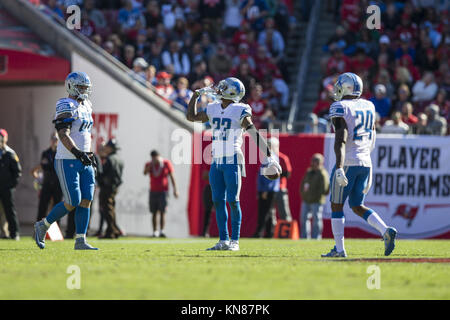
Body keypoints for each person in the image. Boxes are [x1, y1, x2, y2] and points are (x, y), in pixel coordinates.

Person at [186, 77, 281, 251]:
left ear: (232, 92)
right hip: (217, 160)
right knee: (218, 201)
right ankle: (223, 240)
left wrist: (269, 155)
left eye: (223, 87)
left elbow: (253, 132)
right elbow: (191, 116)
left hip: (233, 159)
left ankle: (235, 241)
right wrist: (195, 97)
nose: (219, 89)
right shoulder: (213, 107)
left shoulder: (240, 109)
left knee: (233, 200)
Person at [324, 72, 397, 258]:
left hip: (348, 160)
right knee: (357, 205)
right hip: (366, 161)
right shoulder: (369, 105)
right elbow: (372, 134)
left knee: (336, 205)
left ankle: (339, 249)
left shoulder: (340, 106)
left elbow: (340, 139)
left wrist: (339, 167)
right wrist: (366, 157)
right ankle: (385, 230)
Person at [34, 71, 98, 250]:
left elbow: (86, 134)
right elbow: (63, 134)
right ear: (71, 86)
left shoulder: (87, 105)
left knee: (87, 199)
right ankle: (43, 225)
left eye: (86, 87)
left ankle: (80, 240)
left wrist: (90, 154)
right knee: (73, 200)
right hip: (67, 159)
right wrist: (78, 153)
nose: (84, 91)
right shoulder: (65, 104)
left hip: (84, 158)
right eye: (81, 87)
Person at [143, 150, 178, 238]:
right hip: (153, 191)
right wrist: (151, 165)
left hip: (163, 192)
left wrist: (175, 190)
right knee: (154, 212)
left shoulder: (166, 163)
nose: (155, 159)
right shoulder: (149, 164)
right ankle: (155, 231)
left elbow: (172, 176)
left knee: (162, 211)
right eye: (153, 157)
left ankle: (162, 231)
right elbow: (144, 173)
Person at [31, 133, 62, 222]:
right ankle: (38, 230)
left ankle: (57, 231)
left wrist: (50, 166)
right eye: (53, 139)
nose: (54, 141)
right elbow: (44, 166)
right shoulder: (45, 153)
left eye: (56, 139)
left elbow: (55, 167)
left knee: (57, 209)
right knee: (42, 208)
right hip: (47, 183)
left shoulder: (61, 153)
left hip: (57, 184)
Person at [97, 139, 124, 239]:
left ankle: (111, 231)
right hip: (114, 187)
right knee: (110, 208)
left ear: (110, 148)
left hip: (107, 187)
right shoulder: (119, 159)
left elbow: (103, 173)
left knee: (107, 209)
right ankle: (113, 230)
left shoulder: (110, 159)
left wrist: (98, 179)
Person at [300, 153, 329, 239]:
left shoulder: (322, 173)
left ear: (320, 163)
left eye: (316, 161)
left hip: (317, 201)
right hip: (306, 200)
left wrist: (316, 197)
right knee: (304, 219)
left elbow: (325, 189)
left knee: (316, 220)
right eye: (313, 161)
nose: (314, 163)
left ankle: (316, 237)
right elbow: (303, 184)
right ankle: (304, 237)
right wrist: (304, 195)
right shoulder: (309, 172)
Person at [0, 128, 22, 240]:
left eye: (2, 137)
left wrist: (11, 185)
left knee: (10, 211)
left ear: (6, 138)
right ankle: (4, 233)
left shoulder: (10, 153)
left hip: (7, 188)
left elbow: (17, 172)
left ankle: (14, 233)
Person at [269, 137, 292, 222]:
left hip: (280, 188)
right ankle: (272, 231)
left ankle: (287, 232)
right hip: (269, 189)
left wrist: (275, 174)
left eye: (271, 146)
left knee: (284, 212)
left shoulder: (282, 158)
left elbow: (287, 173)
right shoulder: (267, 159)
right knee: (270, 213)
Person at [201, 169, 214, 237]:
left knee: (221, 210)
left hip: (219, 187)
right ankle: (205, 232)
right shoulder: (209, 164)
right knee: (207, 212)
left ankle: (223, 232)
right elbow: (204, 176)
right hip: (209, 188)